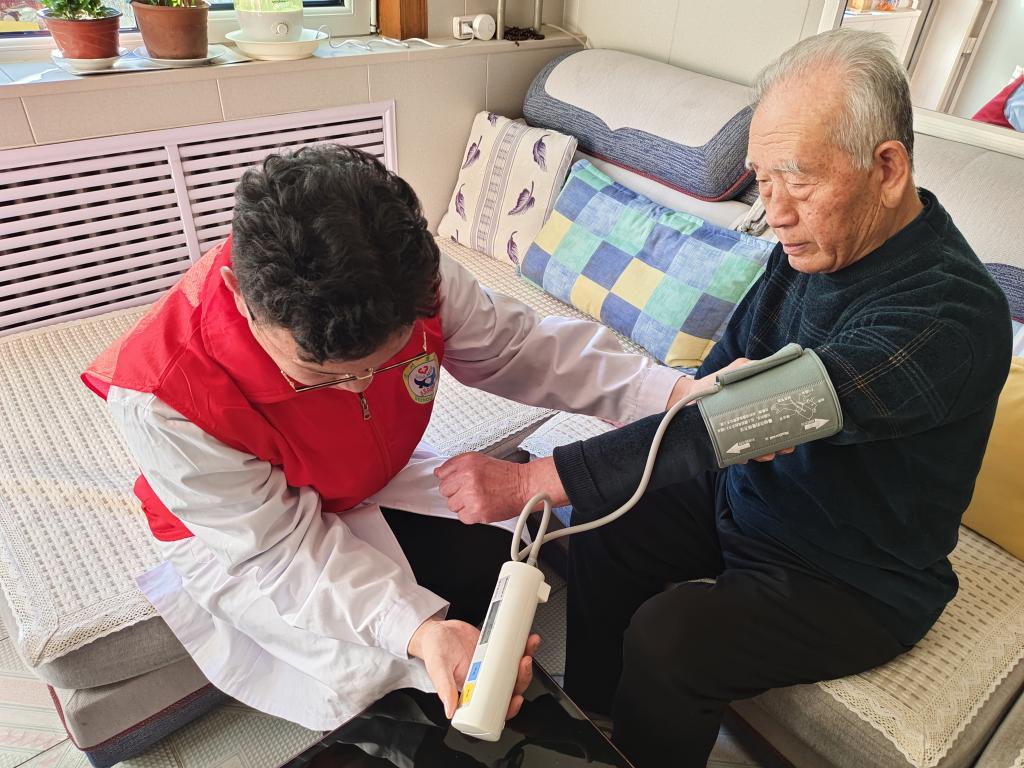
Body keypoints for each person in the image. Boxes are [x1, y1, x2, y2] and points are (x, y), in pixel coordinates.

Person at [435, 29, 1012, 767]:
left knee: (671, 638)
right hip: (753, 495)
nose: (774, 211)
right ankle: (594, 724)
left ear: (888, 168)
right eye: (761, 181)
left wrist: (530, 482)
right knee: (608, 523)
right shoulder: (808, 248)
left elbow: (745, 414)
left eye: (796, 179)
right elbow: (710, 389)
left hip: (851, 573)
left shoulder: (949, 315)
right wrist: (670, 432)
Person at [81, 144, 697, 731]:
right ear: (241, 297)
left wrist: (669, 393)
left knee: (490, 573)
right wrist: (420, 631)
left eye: (381, 364)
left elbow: (519, 348)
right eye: (321, 375)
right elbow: (282, 553)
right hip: (249, 530)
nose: (357, 389)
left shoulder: (407, 275)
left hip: (370, 475)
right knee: (389, 668)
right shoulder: (164, 398)